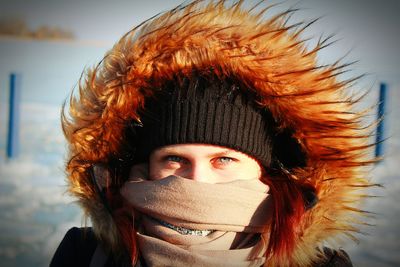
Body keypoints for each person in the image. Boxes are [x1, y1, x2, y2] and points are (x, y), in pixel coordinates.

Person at [50, 1, 375, 266]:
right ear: (145, 164)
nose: (198, 180)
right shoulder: (87, 255)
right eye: (174, 158)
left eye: (223, 158)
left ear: (265, 171)